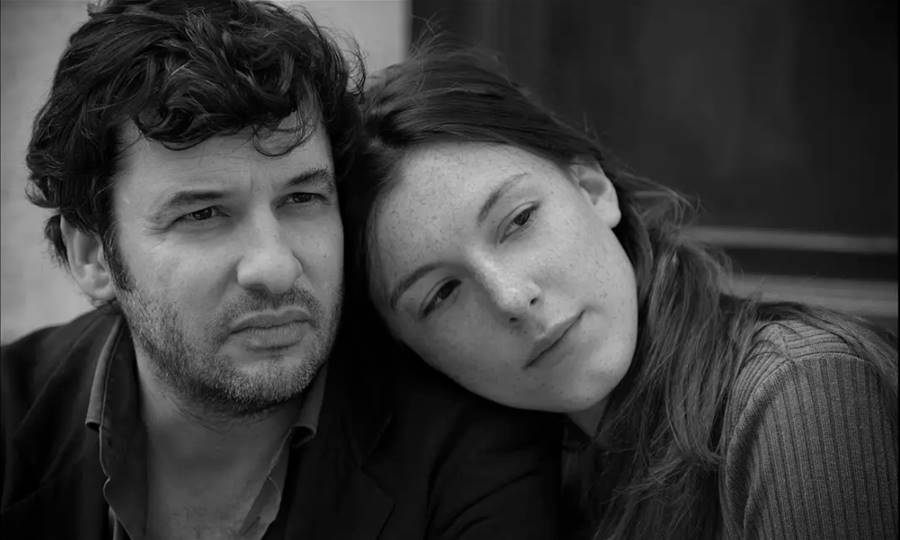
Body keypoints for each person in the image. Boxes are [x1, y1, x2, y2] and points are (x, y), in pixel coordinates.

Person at [0, 4, 562, 539]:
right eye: (203, 214)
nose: (275, 267)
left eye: (302, 199)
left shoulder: (466, 447)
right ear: (94, 256)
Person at [342, 42, 899, 540]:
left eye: (519, 220)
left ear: (592, 187)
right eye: (442, 294)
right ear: (412, 351)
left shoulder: (798, 392)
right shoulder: (515, 486)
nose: (511, 298)